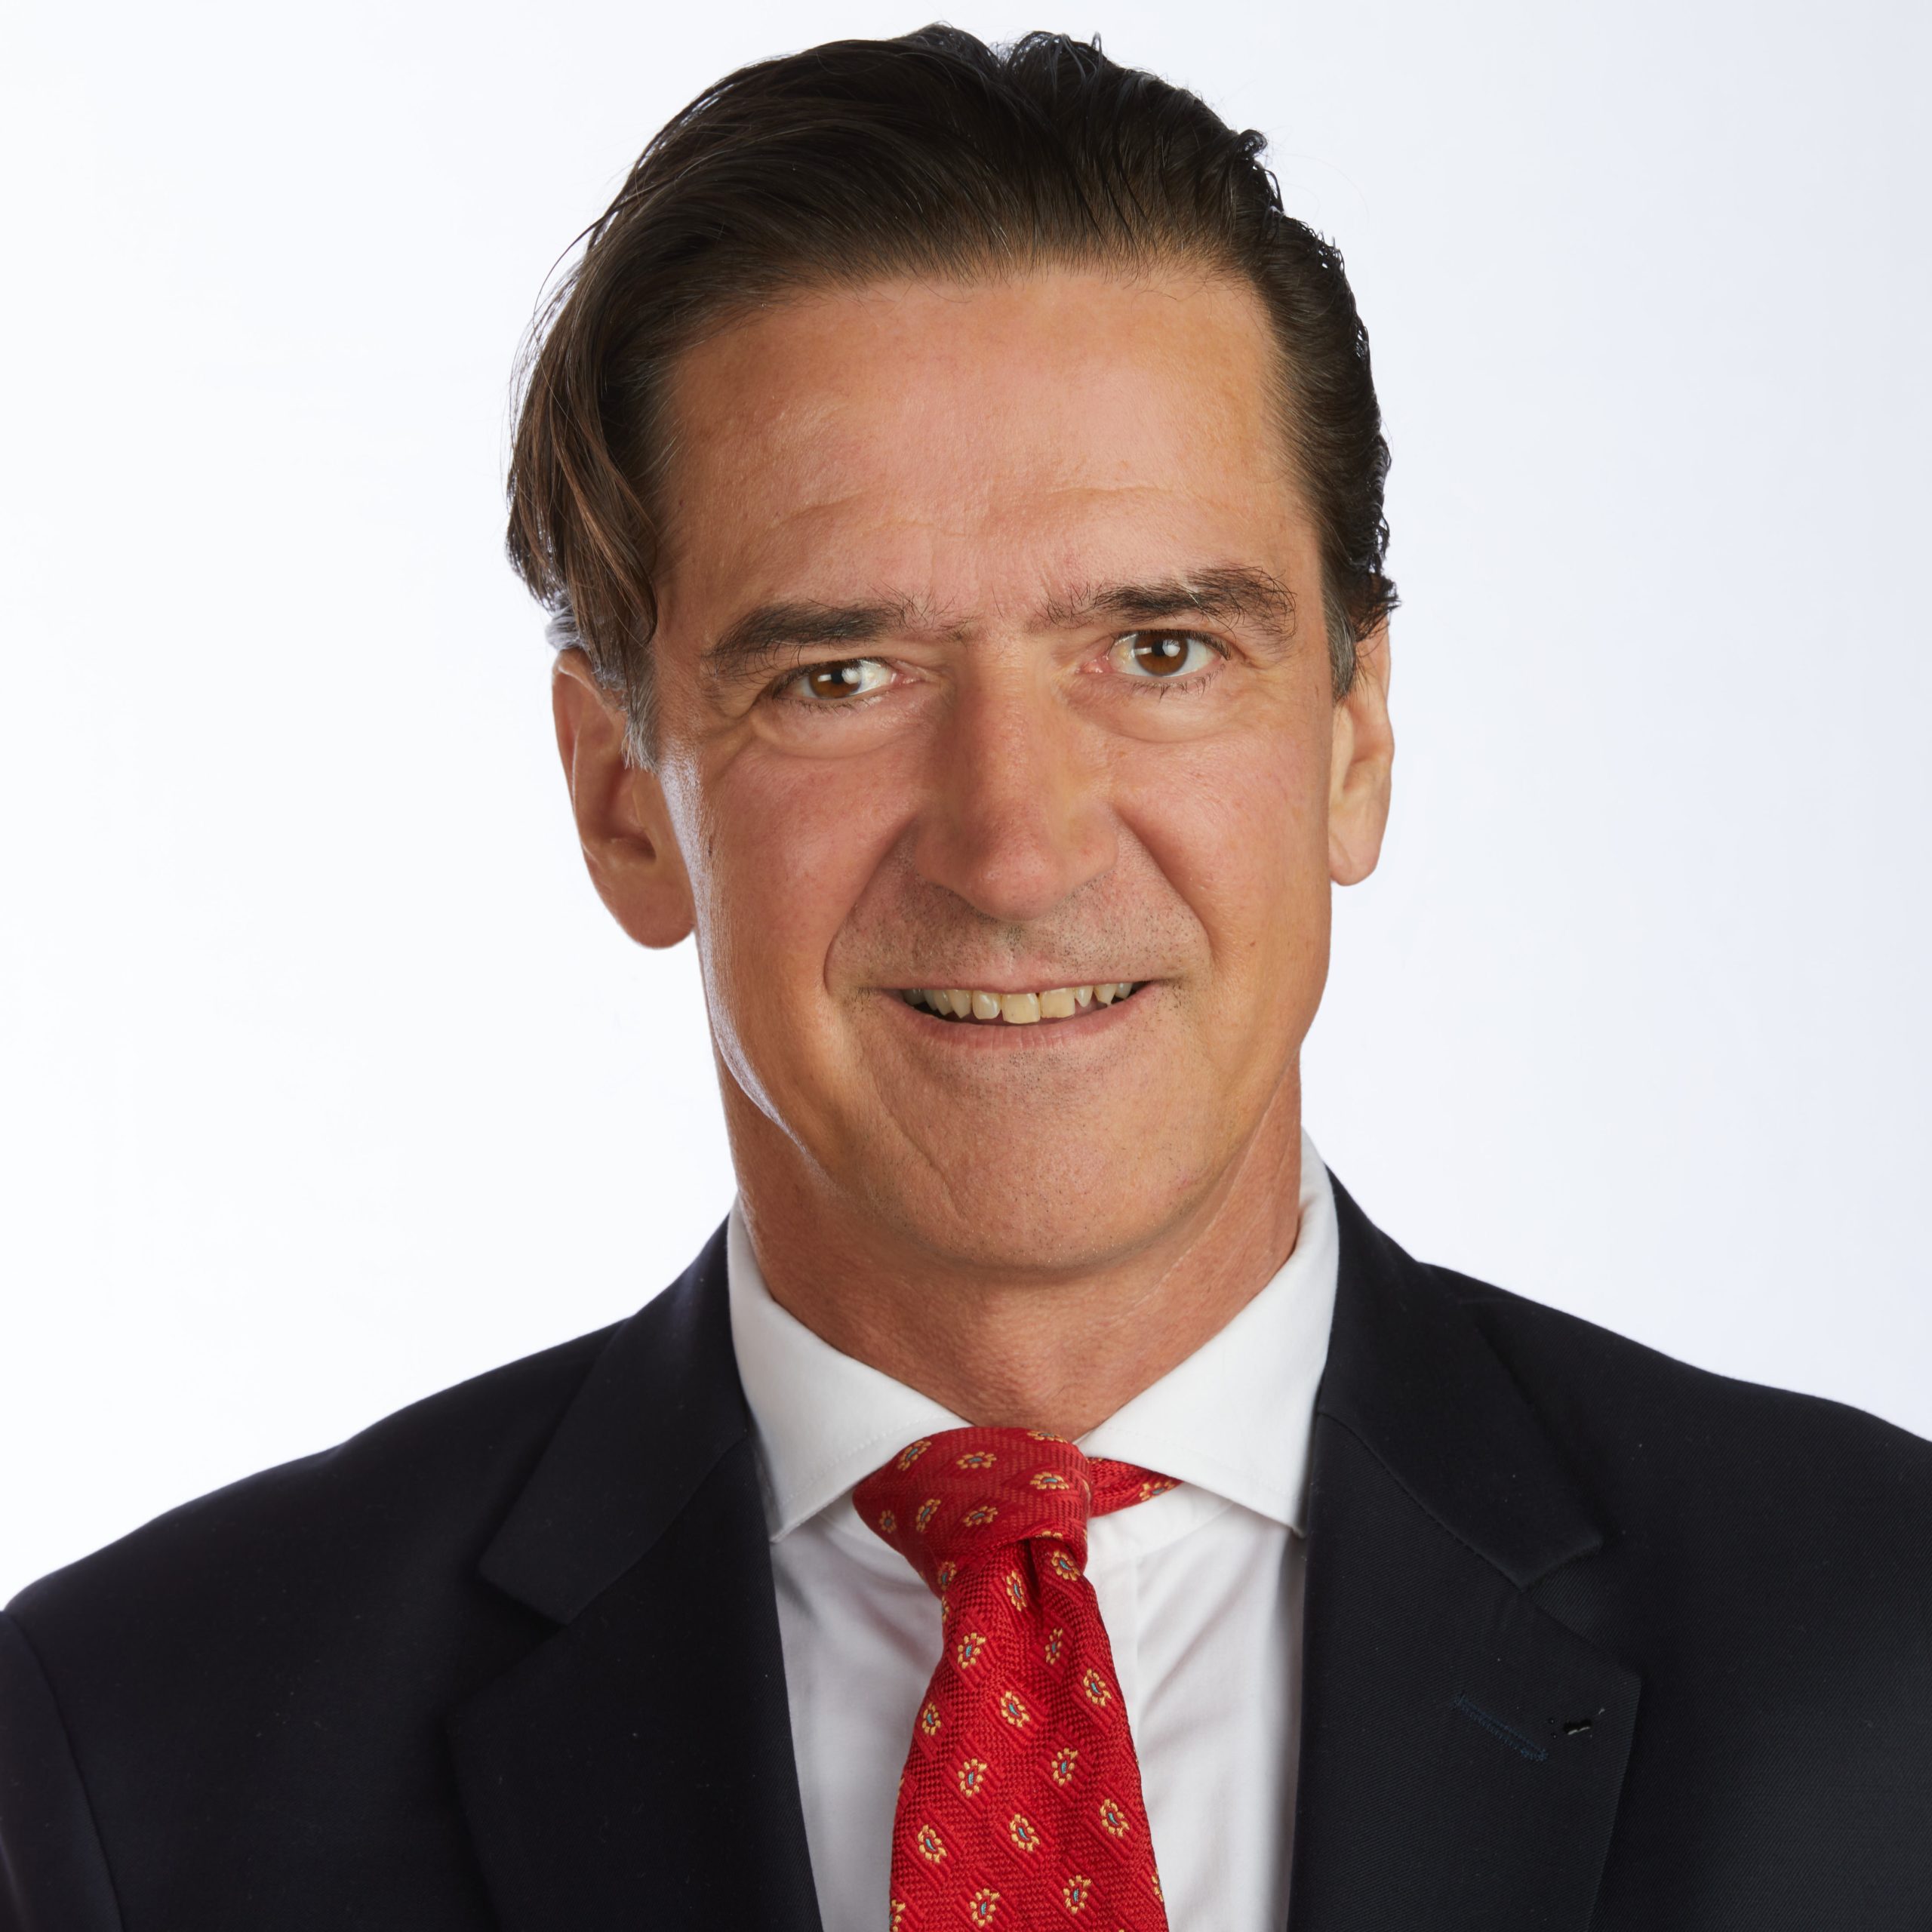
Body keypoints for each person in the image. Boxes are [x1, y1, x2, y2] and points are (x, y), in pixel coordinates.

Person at [3, 25, 1929, 1930]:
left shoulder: (1882, 1650)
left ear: (1351, 742)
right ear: (623, 802)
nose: (1016, 847)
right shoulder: (139, 1763)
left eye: (1161, 650)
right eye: (839, 677)